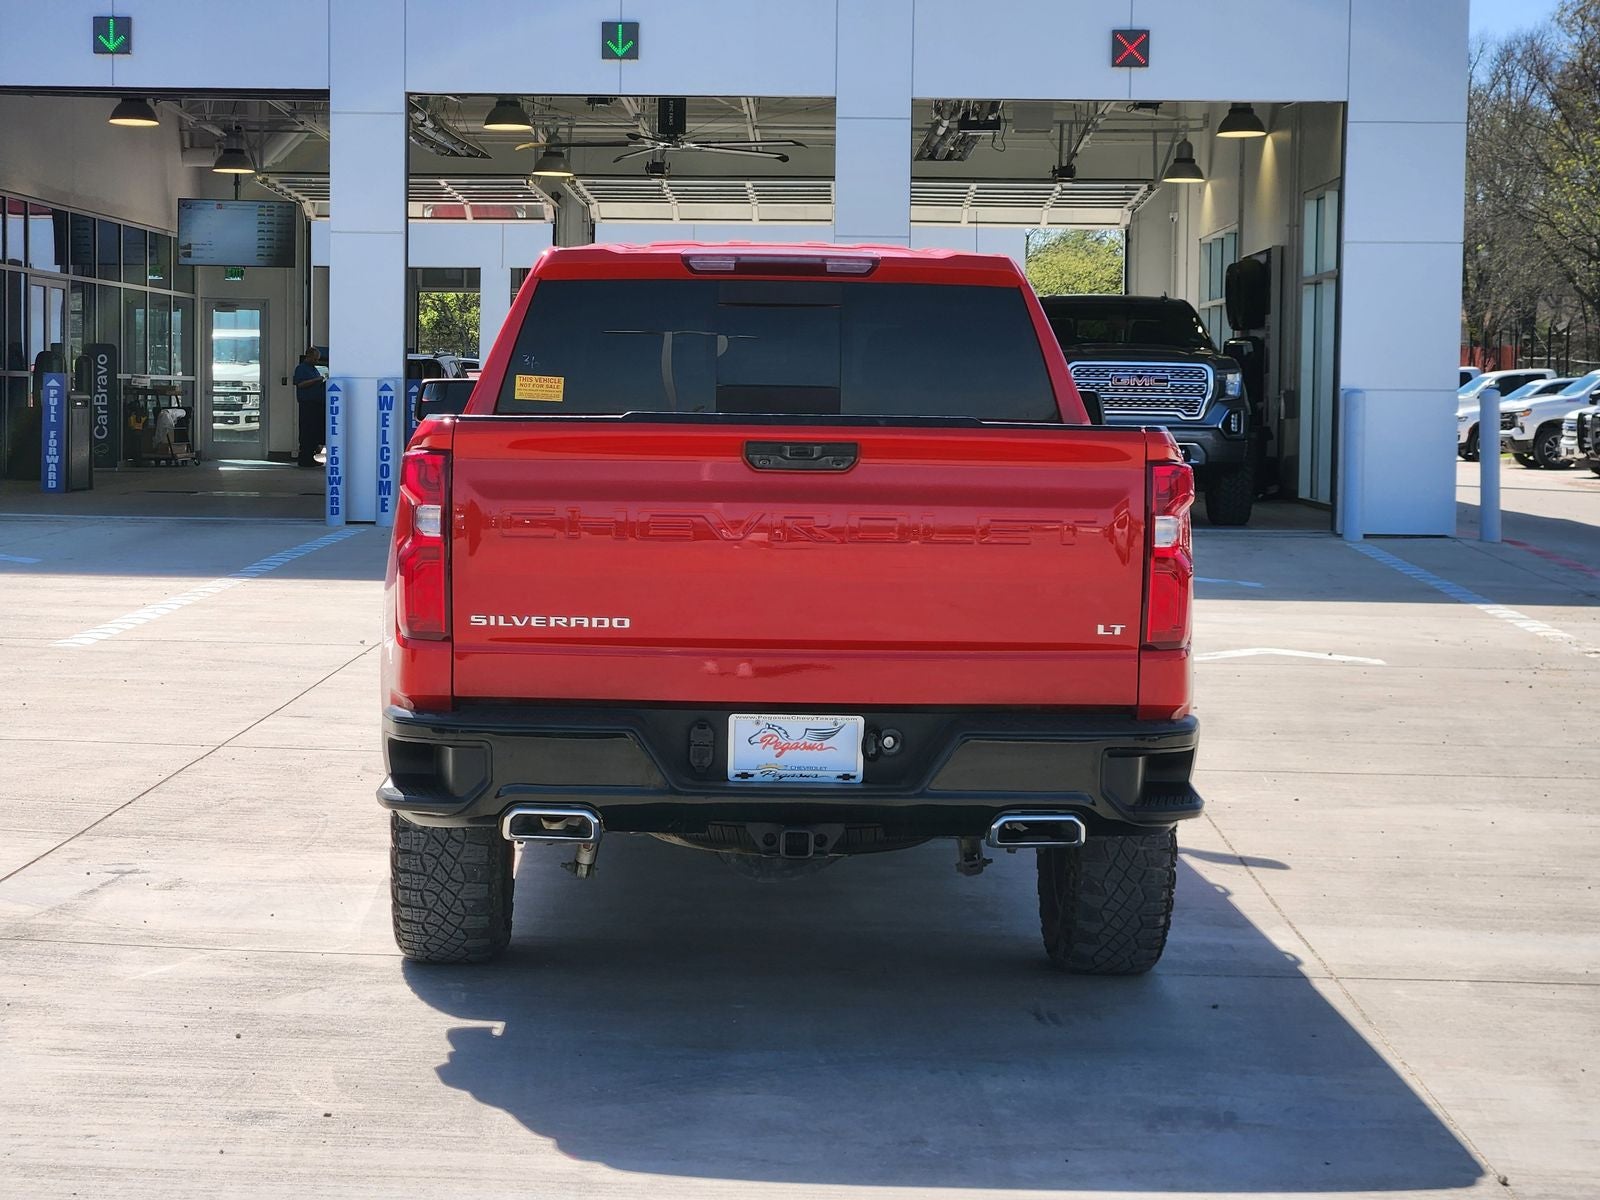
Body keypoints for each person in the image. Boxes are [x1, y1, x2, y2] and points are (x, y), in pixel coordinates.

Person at [293, 347, 326, 467]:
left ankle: (311, 456)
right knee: (307, 431)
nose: (316, 361)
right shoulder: (301, 369)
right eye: (315, 358)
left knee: (314, 432)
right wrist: (317, 379)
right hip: (307, 404)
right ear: (309, 356)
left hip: (316, 404)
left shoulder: (314, 369)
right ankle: (304, 458)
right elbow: (300, 384)